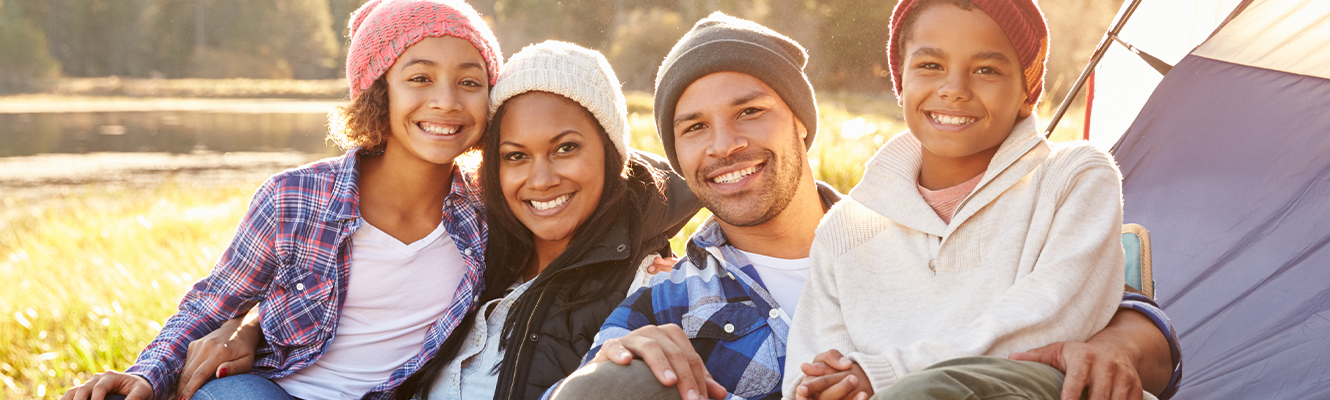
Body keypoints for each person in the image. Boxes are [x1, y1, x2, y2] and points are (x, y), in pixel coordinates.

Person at [548, 11, 1182, 400]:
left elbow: (1095, 307)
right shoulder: (668, 296)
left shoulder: (909, 220)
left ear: (800, 123)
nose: (724, 145)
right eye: (692, 129)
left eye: (750, 112)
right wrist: (621, 359)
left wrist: (1135, 336)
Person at [174, 41, 700, 400]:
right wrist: (248, 323)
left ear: (611, 154)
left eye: (565, 149)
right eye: (514, 155)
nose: (540, 180)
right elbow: (351, 301)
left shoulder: (647, 281)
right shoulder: (483, 242)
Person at [59, 1, 503, 399]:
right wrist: (146, 375)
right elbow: (212, 305)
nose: (447, 101)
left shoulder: (489, 211)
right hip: (267, 391)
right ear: (378, 91)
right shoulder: (294, 197)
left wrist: (249, 330)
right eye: (420, 78)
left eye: (469, 81)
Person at [782, 0, 1155, 399]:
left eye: (986, 70)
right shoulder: (844, 229)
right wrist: (825, 387)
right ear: (901, 82)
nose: (954, 89)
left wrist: (888, 372)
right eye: (930, 66)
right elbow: (812, 371)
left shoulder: (1074, 177)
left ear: (1027, 94)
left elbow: (1050, 319)